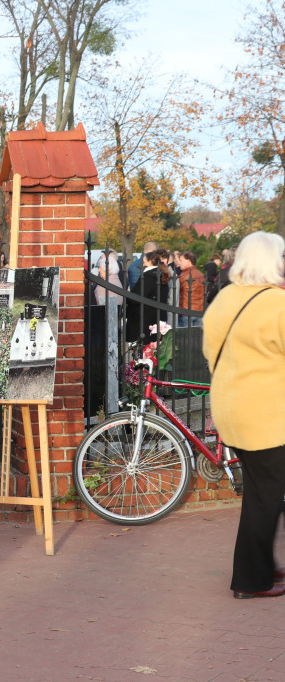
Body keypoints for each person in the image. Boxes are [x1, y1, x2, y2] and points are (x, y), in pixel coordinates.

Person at [202, 231, 285, 599]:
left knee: (261, 490)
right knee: (266, 495)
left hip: (232, 411)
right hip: (268, 416)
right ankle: (250, 579)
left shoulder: (224, 299)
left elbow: (209, 352)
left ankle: (261, 565)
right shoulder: (277, 304)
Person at [125, 250, 170, 342]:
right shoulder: (160, 275)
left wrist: (128, 302)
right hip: (155, 318)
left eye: (144, 260)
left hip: (144, 320)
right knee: (154, 349)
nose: (143, 262)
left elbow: (137, 298)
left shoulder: (148, 277)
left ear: (150, 261)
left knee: (144, 350)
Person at [177, 251, 204, 325]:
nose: (179, 263)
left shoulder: (183, 276)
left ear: (188, 261)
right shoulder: (201, 275)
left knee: (184, 336)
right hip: (199, 312)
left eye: (181, 260)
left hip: (185, 313)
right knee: (197, 336)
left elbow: (175, 293)